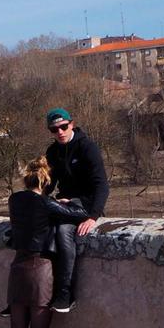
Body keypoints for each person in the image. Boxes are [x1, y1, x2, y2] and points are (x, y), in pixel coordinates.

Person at [5, 157, 90, 328]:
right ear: (46, 181)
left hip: (17, 268)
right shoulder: (45, 203)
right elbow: (79, 214)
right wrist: (64, 203)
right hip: (39, 270)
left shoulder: (14, 200)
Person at [43, 108, 109, 312]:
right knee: (39, 228)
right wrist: (37, 200)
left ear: (72, 124)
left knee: (63, 231)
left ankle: (65, 294)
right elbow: (48, 184)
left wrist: (93, 217)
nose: (60, 132)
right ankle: (31, 295)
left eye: (64, 127)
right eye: (55, 129)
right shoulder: (52, 152)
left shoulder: (86, 147)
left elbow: (101, 184)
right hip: (65, 205)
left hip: (85, 206)